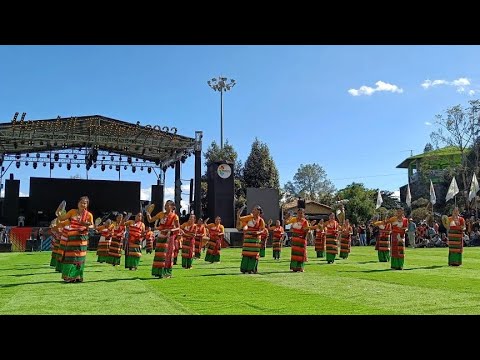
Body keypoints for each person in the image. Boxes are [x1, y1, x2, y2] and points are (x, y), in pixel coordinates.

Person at [56, 196, 94, 283]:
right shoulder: (72, 211)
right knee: (70, 257)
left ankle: (77, 277)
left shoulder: (89, 215)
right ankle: (68, 277)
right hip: (71, 238)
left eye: (85, 203)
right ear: (78, 203)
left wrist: (86, 224)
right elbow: (62, 219)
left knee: (79, 258)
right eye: (81, 202)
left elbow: (92, 226)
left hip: (81, 239)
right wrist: (58, 213)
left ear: (87, 205)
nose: (82, 204)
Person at [148, 200, 180, 278]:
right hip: (161, 236)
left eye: (167, 205)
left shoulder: (174, 216)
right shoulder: (161, 214)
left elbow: (178, 228)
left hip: (170, 237)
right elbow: (150, 220)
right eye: (165, 205)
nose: (165, 207)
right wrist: (148, 212)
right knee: (160, 255)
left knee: (168, 255)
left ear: (172, 207)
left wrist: (171, 230)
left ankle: (166, 273)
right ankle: (158, 272)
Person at [237, 205, 265, 274]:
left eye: (255, 210)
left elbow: (262, 230)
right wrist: (238, 214)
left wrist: (258, 232)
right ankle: (244, 268)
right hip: (248, 239)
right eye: (253, 209)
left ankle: (251, 269)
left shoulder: (261, 220)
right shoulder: (249, 217)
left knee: (253, 254)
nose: (253, 211)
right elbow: (240, 219)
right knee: (246, 254)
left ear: (258, 212)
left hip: (255, 240)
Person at [285, 208, 311, 272]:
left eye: (301, 213)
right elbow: (286, 223)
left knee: (301, 254)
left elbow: (307, 231)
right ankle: (294, 267)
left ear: (303, 214)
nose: (300, 214)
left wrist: (305, 238)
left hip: (301, 240)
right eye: (299, 213)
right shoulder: (294, 219)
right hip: (295, 240)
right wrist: (287, 217)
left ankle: (300, 268)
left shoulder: (305, 221)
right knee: (294, 254)